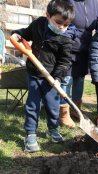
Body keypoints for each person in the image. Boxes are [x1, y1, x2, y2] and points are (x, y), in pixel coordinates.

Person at [11, 0, 75, 152]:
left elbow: (64, 62)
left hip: (51, 78)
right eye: (58, 22)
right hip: (34, 74)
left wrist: (58, 79)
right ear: (47, 15)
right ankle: (30, 134)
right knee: (32, 105)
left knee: (53, 107)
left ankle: (53, 129)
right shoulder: (38, 24)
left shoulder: (65, 39)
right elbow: (25, 33)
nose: (61, 27)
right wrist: (17, 34)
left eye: (66, 25)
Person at [59, 0, 98, 128]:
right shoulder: (69, 1)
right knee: (67, 80)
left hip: (85, 50)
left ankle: (75, 109)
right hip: (69, 48)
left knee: (80, 80)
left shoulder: (95, 3)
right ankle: (63, 113)